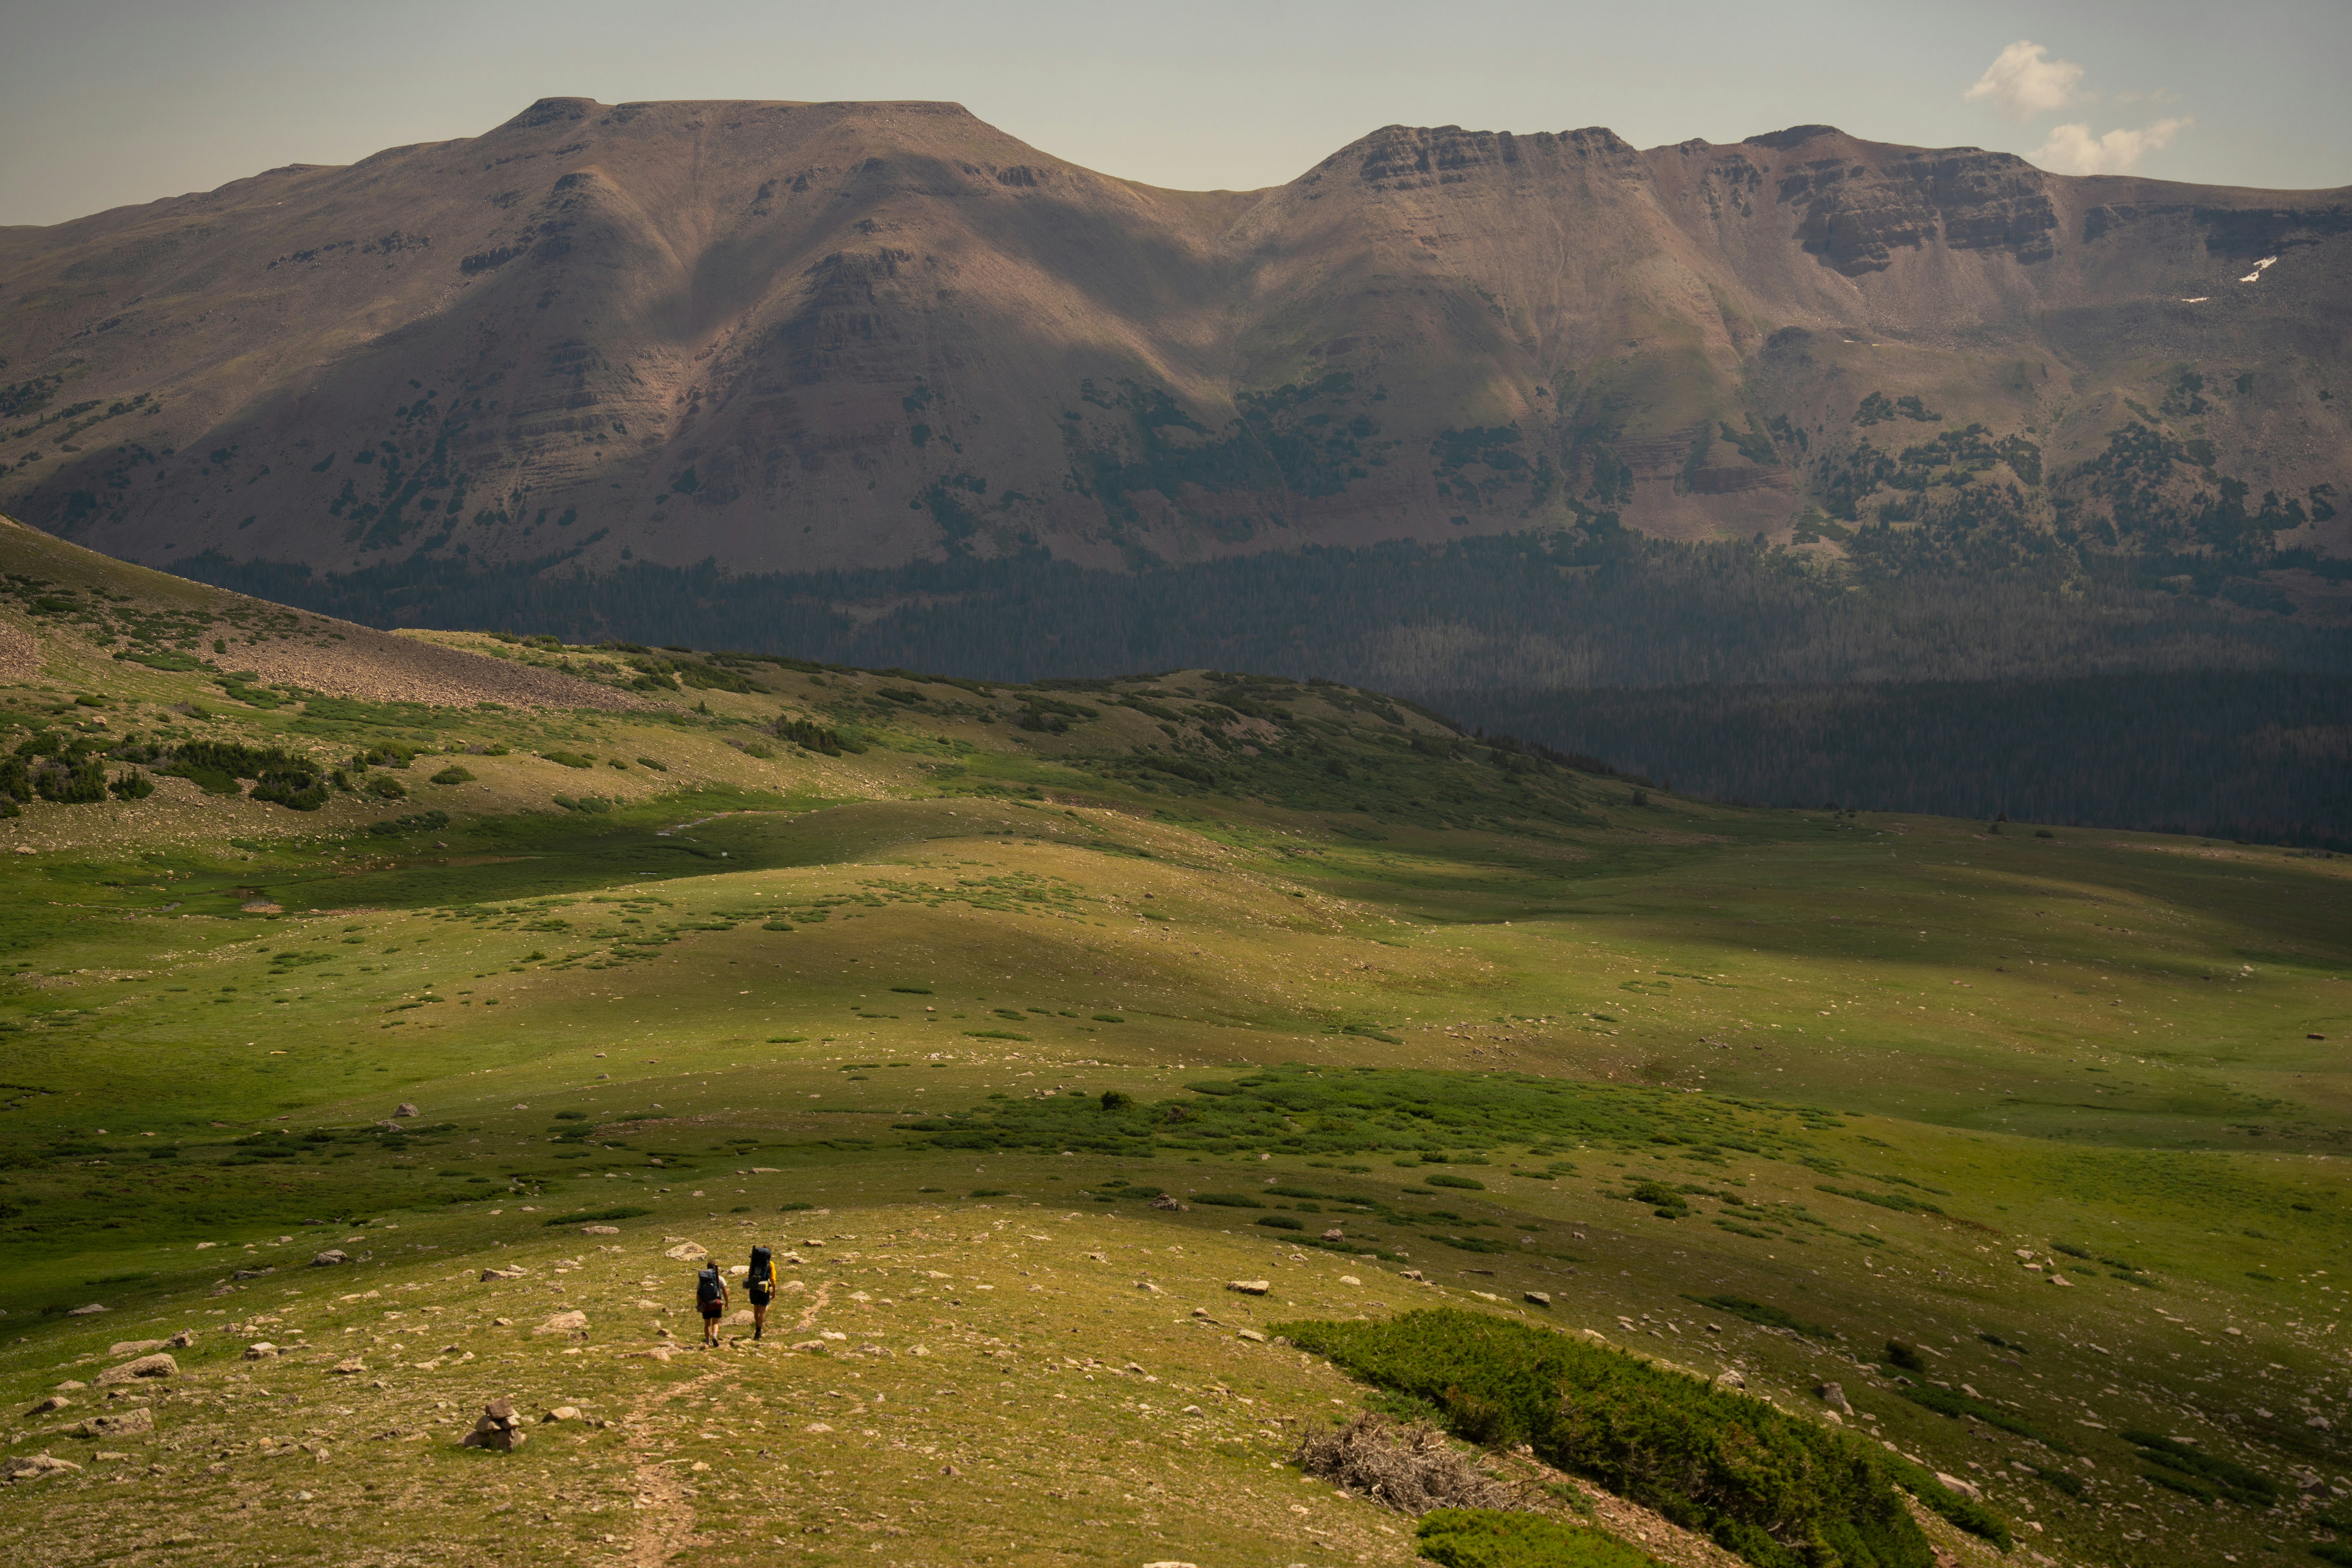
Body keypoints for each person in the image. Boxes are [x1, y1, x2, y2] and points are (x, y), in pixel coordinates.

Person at [747, 1243, 777, 1341]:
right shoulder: (770, 1264)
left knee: (756, 1309)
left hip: (754, 1287)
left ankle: (757, 1327)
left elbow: (750, 1274)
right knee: (762, 1311)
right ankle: (759, 1331)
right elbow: (773, 1279)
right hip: (765, 1287)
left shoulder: (754, 1262)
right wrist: (774, 1291)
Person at [695, 1260, 727, 1346]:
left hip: (706, 1304)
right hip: (717, 1303)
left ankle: (707, 1342)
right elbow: (725, 1293)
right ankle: (715, 1336)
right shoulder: (720, 1278)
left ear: (707, 1268)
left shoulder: (703, 1280)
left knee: (707, 1325)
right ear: (715, 1269)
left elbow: (698, 1293)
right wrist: (727, 1303)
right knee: (716, 1323)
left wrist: (699, 1304)